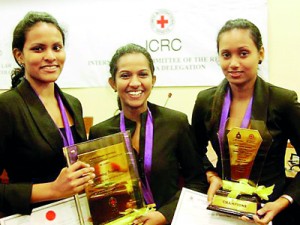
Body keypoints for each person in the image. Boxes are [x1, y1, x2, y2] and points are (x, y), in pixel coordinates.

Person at [192, 18, 300, 225]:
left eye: (243, 53)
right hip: (222, 208)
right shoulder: (206, 101)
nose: (233, 63)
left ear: (260, 54)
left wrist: (283, 201)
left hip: (271, 211)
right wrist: (211, 175)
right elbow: (193, 151)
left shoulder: (282, 101)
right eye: (226, 55)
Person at [89, 43, 207, 225]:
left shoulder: (175, 123)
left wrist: (164, 215)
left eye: (142, 74)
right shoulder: (100, 133)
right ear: (113, 83)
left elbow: (197, 183)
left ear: (153, 79)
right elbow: (97, 193)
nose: (135, 83)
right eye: (125, 75)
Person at [0, 11, 95, 216]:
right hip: (35, 218)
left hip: (80, 215)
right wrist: (51, 189)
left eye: (57, 47)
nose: (51, 57)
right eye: (38, 48)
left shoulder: (73, 104)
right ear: (19, 55)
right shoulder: (7, 107)